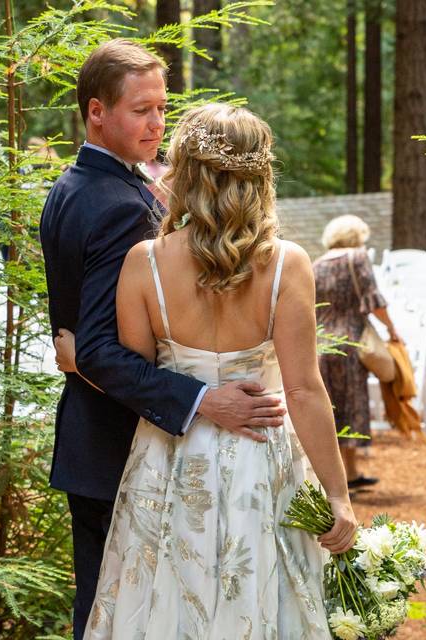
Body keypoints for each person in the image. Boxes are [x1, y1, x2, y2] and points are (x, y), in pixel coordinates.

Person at [38, 40, 286, 640]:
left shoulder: (73, 187)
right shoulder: (119, 207)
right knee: (123, 614)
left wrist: (77, 355)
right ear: (96, 111)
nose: (157, 124)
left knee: (110, 613)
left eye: (162, 109)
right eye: (141, 110)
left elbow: (83, 339)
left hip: (90, 441)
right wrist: (204, 400)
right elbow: (97, 347)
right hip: (119, 442)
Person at [83, 104, 357, 639]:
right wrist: (338, 495)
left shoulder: (144, 262)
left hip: (167, 458)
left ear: (183, 171)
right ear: (261, 175)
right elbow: (303, 389)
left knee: (161, 601)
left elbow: (137, 379)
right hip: (260, 458)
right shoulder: (287, 263)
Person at [313, 215, 400, 489]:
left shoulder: (316, 264)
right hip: (351, 344)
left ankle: (343, 475)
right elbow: (373, 298)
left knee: (329, 410)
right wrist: (392, 330)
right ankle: (346, 475)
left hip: (321, 343)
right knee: (352, 406)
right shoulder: (357, 257)